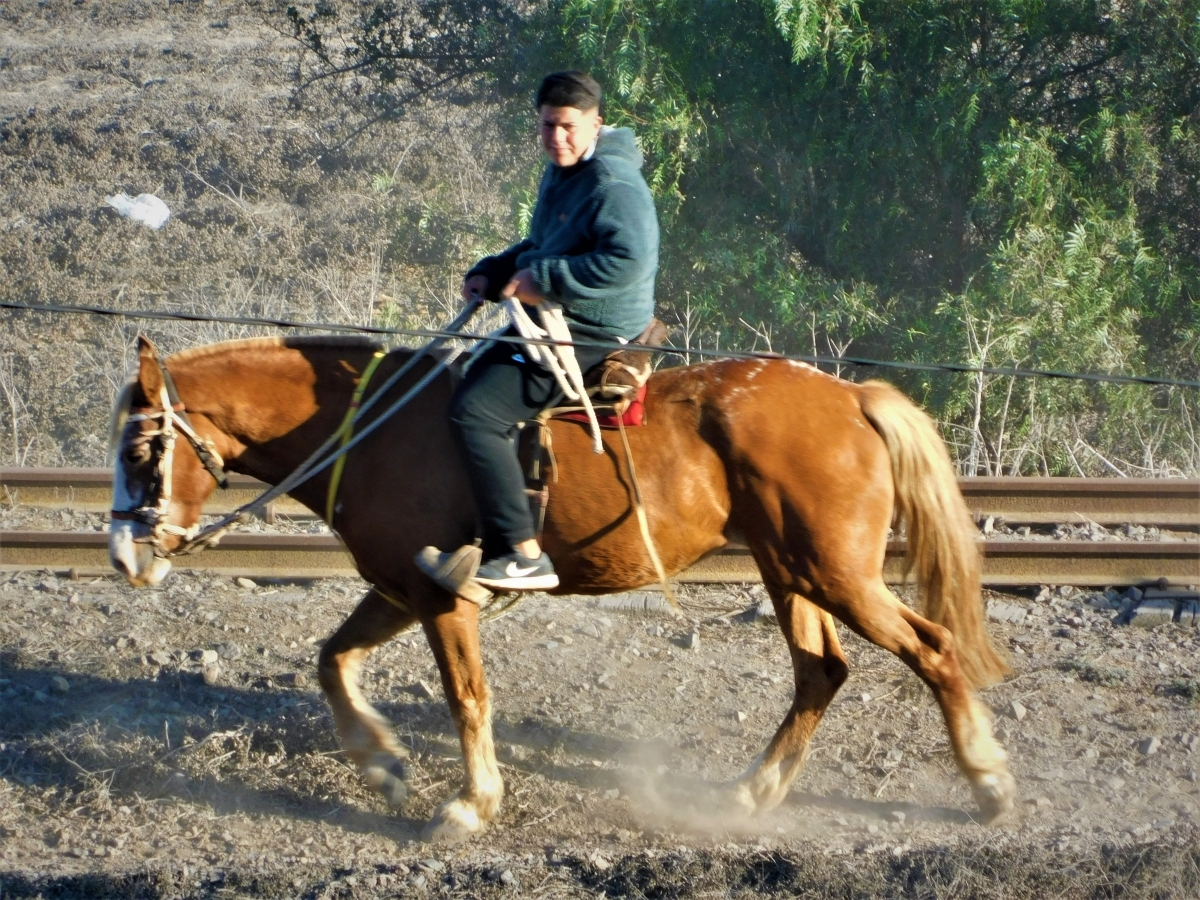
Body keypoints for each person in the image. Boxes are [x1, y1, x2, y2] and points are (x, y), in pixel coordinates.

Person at [448, 70, 660, 591]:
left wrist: (543, 280)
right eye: (547, 126)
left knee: (476, 412)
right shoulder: (562, 171)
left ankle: (522, 555)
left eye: (567, 126)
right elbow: (543, 241)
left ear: (596, 123)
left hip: (595, 325)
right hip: (559, 313)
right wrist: (496, 270)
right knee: (458, 376)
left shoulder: (613, 183)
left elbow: (628, 261)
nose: (556, 138)